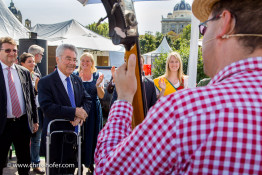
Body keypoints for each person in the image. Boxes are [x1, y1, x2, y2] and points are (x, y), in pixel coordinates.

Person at [94, 0, 262, 174]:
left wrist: (123, 100)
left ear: (224, 24)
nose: (203, 37)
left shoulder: (184, 111)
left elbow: (109, 169)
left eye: (203, 29)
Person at [38, 44, 92, 174]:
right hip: (55, 140)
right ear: (58, 59)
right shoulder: (46, 82)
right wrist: (73, 112)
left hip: (75, 138)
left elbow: (87, 99)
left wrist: (80, 115)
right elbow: (47, 107)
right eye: (68, 59)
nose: (72, 63)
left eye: (74, 60)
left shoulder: (76, 80)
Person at [0, 37, 38, 175]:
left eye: (14, 50)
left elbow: (31, 99)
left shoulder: (24, 72)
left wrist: (35, 120)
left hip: (22, 124)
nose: (12, 53)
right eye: (7, 50)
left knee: (24, 162)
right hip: (2, 125)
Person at [74, 52, 104, 174]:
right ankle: (78, 163)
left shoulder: (98, 75)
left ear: (92, 62)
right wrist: (79, 81)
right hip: (79, 110)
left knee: (93, 136)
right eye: (83, 60)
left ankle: (91, 162)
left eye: (88, 61)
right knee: (79, 137)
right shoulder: (75, 75)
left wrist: (97, 86)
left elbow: (101, 96)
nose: (85, 63)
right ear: (80, 62)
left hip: (93, 111)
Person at [28, 45, 45, 174]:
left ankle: (35, 163)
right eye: (41, 54)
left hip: (37, 108)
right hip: (25, 110)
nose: (42, 57)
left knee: (36, 137)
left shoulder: (37, 69)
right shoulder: (21, 71)